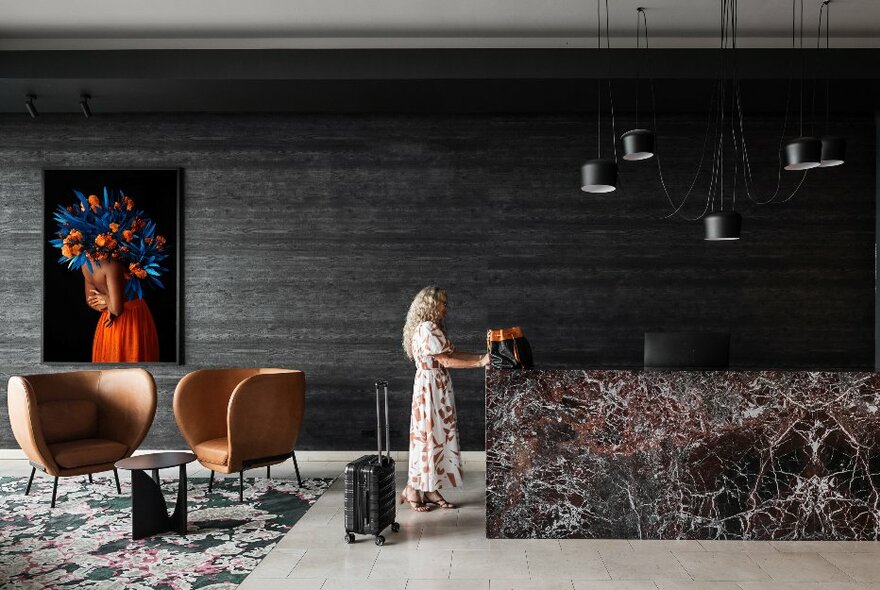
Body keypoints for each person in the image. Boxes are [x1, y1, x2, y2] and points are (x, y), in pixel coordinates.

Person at [400, 286, 489, 512]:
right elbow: (447, 362)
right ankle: (413, 488)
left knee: (431, 439)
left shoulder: (426, 328)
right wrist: (479, 363)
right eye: (442, 304)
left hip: (431, 386)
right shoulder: (428, 329)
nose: (445, 308)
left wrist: (482, 357)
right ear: (431, 305)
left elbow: (450, 356)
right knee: (430, 438)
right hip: (431, 388)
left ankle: (428, 488)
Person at [83, 259, 159, 363]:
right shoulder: (111, 265)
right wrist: (109, 302)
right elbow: (117, 310)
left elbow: (91, 300)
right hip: (131, 319)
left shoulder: (85, 265)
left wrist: (108, 302)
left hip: (108, 320)